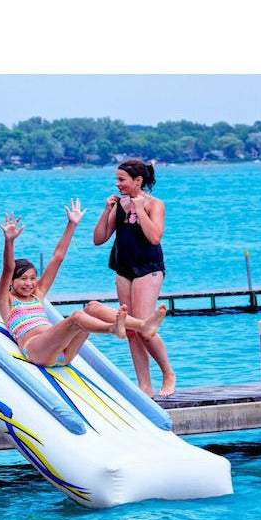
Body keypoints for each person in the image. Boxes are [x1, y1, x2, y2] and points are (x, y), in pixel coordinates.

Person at [0, 199, 166, 368]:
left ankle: (142, 325)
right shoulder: (6, 300)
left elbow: (58, 256)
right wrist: (9, 241)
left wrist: (72, 224)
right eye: (23, 279)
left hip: (64, 353)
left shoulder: (37, 294)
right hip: (36, 351)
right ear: (11, 281)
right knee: (77, 316)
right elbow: (8, 268)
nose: (29, 283)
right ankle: (111, 328)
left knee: (93, 307)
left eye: (32, 278)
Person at [92, 159, 177, 397]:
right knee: (130, 328)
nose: (117, 184)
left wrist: (139, 208)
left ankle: (168, 374)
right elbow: (99, 239)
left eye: (122, 180)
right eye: (117, 180)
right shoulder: (119, 205)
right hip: (123, 269)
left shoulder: (155, 204)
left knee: (142, 326)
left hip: (148, 268)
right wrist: (107, 210)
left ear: (137, 181)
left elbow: (155, 237)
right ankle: (145, 385)